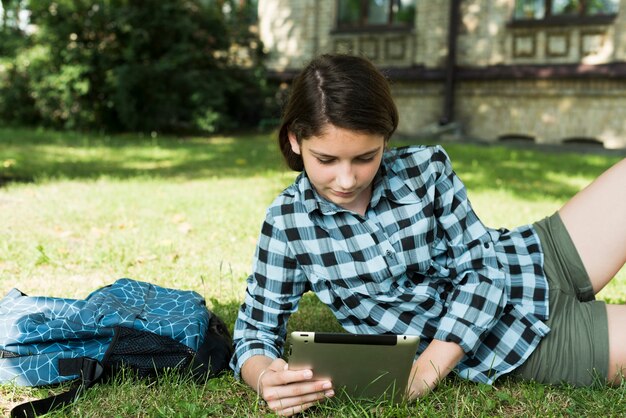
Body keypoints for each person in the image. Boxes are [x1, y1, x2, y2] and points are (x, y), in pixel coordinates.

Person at [230, 53, 626, 416]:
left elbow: (483, 271)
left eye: (366, 157)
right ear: (296, 141)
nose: (347, 179)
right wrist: (265, 378)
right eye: (327, 160)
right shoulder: (288, 222)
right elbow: (255, 330)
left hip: (535, 255)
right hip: (516, 344)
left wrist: (426, 370)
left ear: (385, 139)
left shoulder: (428, 168)